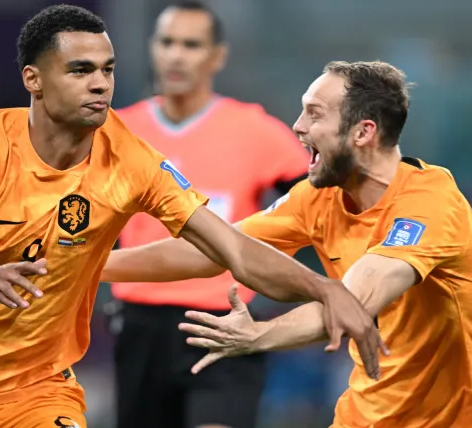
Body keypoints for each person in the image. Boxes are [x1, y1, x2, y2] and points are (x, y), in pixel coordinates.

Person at [0, 5, 383, 428]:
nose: (99, 84)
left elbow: (236, 251)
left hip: (40, 393)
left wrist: (327, 289)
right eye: (80, 70)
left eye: (107, 70)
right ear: (33, 80)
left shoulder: (133, 159)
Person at [101, 60, 472, 427]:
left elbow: (353, 301)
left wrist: (260, 335)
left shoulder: (431, 203)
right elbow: (217, 247)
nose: (297, 126)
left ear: (363, 132)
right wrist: (87, 265)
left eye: (315, 114)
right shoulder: (318, 197)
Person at [109, 2, 309, 428]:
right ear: (152, 49)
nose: (177, 55)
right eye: (167, 42)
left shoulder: (255, 131)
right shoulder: (116, 133)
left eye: (191, 44)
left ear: (217, 56)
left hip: (224, 320)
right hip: (140, 324)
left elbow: (315, 201)